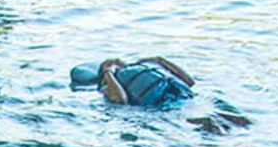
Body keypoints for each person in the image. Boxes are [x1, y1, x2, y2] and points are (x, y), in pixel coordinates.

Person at [70, 57, 250, 133]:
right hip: (169, 106)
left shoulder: (145, 70)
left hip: (178, 99)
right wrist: (109, 74)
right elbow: (120, 99)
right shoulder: (107, 87)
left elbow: (189, 82)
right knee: (209, 119)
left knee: (221, 119)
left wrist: (159, 60)